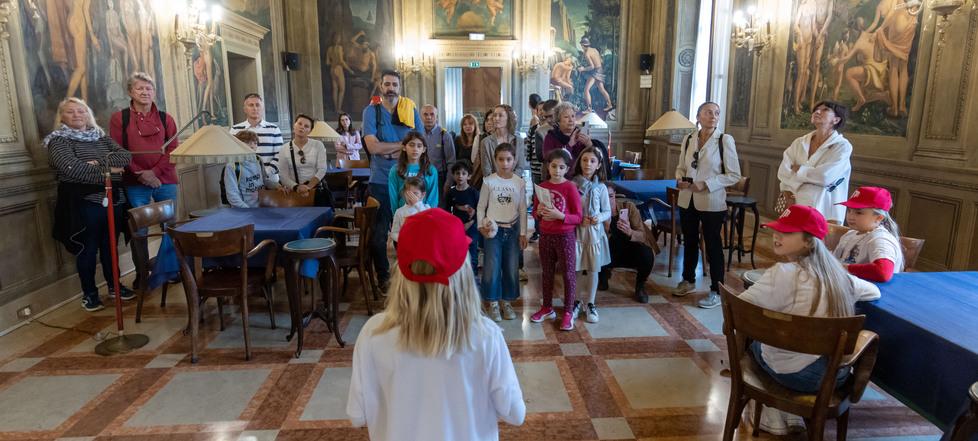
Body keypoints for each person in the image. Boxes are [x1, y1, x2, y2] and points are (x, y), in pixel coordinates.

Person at [346, 209, 525, 441]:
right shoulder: (485, 336)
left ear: (400, 271)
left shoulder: (373, 334)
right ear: (464, 272)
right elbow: (515, 413)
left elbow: (357, 416)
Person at [739, 204, 880, 434]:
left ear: (808, 241)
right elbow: (874, 292)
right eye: (777, 230)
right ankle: (792, 415)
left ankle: (771, 412)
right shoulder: (840, 277)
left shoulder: (780, 274)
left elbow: (739, 311)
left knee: (754, 345)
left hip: (791, 373)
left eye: (787, 232)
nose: (777, 235)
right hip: (831, 377)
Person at [49, 98, 133, 311]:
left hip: (114, 200)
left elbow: (125, 157)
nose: (77, 115)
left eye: (81, 111)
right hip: (84, 204)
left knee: (110, 247)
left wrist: (97, 164)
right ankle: (90, 294)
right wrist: (110, 170)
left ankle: (115, 286)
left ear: (88, 115)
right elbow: (74, 170)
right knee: (88, 249)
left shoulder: (101, 137)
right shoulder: (59, 141)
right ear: (62, 117)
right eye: (70, 112)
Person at [673, 102, 742, 309]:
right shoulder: (689, 139)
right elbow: (681, 167)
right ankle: (688, 280)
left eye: (717, 113)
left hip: (711, 201)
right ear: (698, 116)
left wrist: (707, 184)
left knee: (713, 246)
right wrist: (679, 179)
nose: (713, 116)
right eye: (708, 112)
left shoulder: (724, 140)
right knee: (690, 241)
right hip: (688, 198)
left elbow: (734, 175)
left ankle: (716, 290)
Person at [362, 70, 424, 290]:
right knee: (379, 236)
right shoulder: (371, 112)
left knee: (408, 233)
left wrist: (389, 151)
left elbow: (418, 146)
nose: (390, 88)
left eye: (394, 84)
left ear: (399, 87)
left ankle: (408, 276)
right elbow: (372, 147)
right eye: (386, 84)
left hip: (407, 180)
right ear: (381, 86)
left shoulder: (410, 110)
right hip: (379, 181)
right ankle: (383, 278)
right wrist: (402, 146)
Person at [109, 72, 179, 214]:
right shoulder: (119, 118)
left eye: (148, 88)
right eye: (140, 88)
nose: (145, 92)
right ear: (130, 92)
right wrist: (140, 174)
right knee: (140, 227)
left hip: (166, 179)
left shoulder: (166, 118)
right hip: (135, 181)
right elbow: (118, 150)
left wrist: (155, 172)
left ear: (154, 92)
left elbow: (173, 150)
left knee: (169, 223)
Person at [531, 149, 583, 331]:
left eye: (561, 167)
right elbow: (535, 212)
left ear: (567, 168)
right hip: (546, 235)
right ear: (548, 166)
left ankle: (568, 311)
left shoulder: (570, 187)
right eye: (554, 166)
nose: (557, 170)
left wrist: (560, 215)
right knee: (547, 273)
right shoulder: (542, 186)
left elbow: (578, 217)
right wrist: (538, 213)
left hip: (565, 236)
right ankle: (547, 307)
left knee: (568, 274)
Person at [778, 101, 852, 224]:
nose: (817, 112)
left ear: (836, 119)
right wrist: (789, 190)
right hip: (793, 201)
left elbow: (825, 177)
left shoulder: (842, 146)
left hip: (824, 208)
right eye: (816, 109)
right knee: (791, 241)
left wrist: (800, 170)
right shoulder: (799, 142)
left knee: (816, 243)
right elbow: (783, 172)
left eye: (825, 110)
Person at [476, 143, 527, 322]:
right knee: (491, 268)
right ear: (495, 160)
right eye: (501, 159)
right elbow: (481, 207)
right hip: (493, 231)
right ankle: (493, 303)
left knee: (511, 267)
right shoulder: (488, 181)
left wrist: (523, 233)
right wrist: (481, 225)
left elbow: (522, 210)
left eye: (508, 159)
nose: (505, 163)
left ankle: (506, 301)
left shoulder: (519, 182)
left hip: (512, 231)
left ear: (514, 160)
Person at [599, 184, 659, 303]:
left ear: (615, 195)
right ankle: (603, 275)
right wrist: (606, 228)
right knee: (596, 250)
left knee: (646, 253)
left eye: (610, 196)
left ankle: (640, 286)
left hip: (630, 250)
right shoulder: (597, 213)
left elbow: (642, 236)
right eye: (603, 197)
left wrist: (630, 231)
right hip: (608, 253)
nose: (608, 200)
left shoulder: (628, 207)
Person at [571, 147, 611, 323]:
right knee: (578, 269)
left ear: (598, 165)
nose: (588, 164)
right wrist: (580, 220)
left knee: (594, 269)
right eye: (585, 160)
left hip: (594, 235)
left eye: (592, 161)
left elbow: (607, 211)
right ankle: (576, 301)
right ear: (580, 162)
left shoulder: (601, 187)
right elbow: (569, 209)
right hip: (578, 233)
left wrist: (598, 218)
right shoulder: (572, 185)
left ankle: (591, 303)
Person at [835, 186, 904, 282]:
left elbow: (883, 272)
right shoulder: (850, 234)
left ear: (878, 218)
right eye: (849, 210)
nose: (851, 216)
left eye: (858, 213)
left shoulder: (880, 239)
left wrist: (842, 268)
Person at [230, 93, 285, 186]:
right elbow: (232, 156)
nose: (255, 108)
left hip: (270, 179)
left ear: (262, 108)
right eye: (251, 105)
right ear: (245, 109)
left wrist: (265, 173)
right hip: (244, 179)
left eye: (257, 105)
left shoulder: (274, 129)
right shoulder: (235, 130)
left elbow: (280, 155)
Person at [277, 114, 330, 206]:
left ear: (310, 130)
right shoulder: (284, 148)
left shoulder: (318, 145)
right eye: (299, 124)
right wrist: (297, 187)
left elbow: (322, 169)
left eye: (306, 126)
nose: (302, 127)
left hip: (316, 190)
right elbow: (283, 175)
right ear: (294, 125)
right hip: (294, 191)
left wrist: (308, 187)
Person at [388, 132, 439, 211]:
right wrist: (396, 216)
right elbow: (393, 198)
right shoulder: (395, 170)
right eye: (411, 145)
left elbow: (433, 197)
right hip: (403, 215)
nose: (415, 149)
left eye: (419, 146)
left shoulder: (430, 170)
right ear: (404, 147)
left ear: (424, 149)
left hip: (424, 215)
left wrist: (429, 216)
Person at [222, 131, 272, 208]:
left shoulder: (258, 159)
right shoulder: (232, 166)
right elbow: (232, 195)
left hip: (261, 208)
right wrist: (248, 211)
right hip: (244, 211)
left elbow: (264, 180)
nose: (252, 146)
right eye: (247, 142)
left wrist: (277, 186)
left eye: (255, 143)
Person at [446, 161, 481, 273]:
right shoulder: (451, 192)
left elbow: (480, 211)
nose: (460, 176)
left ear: (469, 176)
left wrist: (469, 223)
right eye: (457, 173)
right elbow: (447, 212)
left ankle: (474, 277)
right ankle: (459, 276)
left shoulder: (474, 193)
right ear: (453, 175)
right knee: (456, 252)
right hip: (456, 228)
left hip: (472, 228)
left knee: (472, 252)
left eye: (463, 173)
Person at [478, 104, 529, 178]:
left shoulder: (518, 141)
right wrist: (499, 183)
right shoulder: (486, 142)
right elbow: (486, 170)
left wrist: (510, 181)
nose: (496, 118)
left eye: (500, 115)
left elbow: (520, 167)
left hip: (514, 184)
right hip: (493, 185)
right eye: (495, 115)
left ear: (508, 118)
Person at [543, 101, 594, 167]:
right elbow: (548, 160)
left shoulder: (581, 134)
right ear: (558, 121)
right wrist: (569, 145)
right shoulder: (551, 137)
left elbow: (593, 160)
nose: (571, 120)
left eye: (573, 116)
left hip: (579, 175)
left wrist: (589, 144)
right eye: (566, 117)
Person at [420, 104, 456, 193]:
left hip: (439, 178)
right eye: (425, 114)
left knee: (439, 206)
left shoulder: (445, 135)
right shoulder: (417, 134)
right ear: (421, 117)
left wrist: (448, 182)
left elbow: (451, 162)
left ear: (437, 117)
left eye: (432, 114)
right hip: (419, 176)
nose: (428, 117)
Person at [390, 177, 431, 248]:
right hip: (406, 246)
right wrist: (404, 239)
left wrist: (417, 204)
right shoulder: (399, 212)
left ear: (423, 195)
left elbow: (429, 224)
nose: (411, 197)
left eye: (415, 193)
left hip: (423, 246)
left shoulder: (426, 208)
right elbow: (394, 233)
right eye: (408, 193)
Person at [577, 37, 615, 113]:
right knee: (601, 89)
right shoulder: (594, 49)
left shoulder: (587, 53)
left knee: (586, 90)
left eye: (581, 45)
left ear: (583, 45)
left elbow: (592, 66)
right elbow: (601, 60)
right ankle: (609, 104)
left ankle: (589, 108)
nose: (581, 47)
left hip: (595, 71)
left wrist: (583, 69)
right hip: (600, 69)